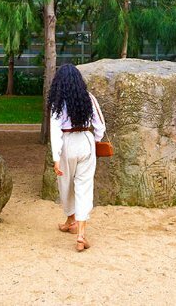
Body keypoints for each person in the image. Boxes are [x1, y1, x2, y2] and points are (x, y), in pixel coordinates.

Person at [48, 64, 106, 252]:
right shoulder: (89, 98)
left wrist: (56, 157)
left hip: (66, 144)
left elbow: (55, 130)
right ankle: (80, 234)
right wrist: (94, 141)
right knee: (84, 187)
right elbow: (100, 127)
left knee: (65, 185)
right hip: (86, 142)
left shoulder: (58, 102)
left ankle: (70, 219)